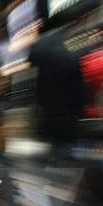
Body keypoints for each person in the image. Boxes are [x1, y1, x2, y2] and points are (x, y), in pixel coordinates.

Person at [29, 35, 85, 164]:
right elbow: (80, 92)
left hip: (51, 120)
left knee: (56, 154)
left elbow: (40, 96)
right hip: (69, 120)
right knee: (63, 152)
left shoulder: (43, 66)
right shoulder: (71, 60)